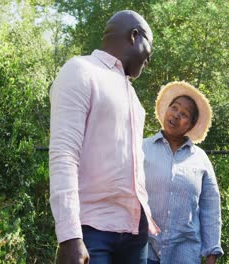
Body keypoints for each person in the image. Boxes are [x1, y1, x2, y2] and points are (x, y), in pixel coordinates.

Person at [49, 10, 159, 264]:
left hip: (135, 235)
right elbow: (64, 154)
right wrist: (69, 236)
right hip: (92, 232)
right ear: (134, 36)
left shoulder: (132, 95)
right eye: (149, 50)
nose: (149, 60)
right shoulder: (81, 70)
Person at [143, 81, 224, 264]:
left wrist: (212, 254)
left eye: (184, 114)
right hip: (144, 251)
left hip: (185, 255)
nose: (176, 115)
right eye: (174, 108)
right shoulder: (141, 149)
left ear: (191, 125)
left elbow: (210, 209)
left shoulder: (200, 159)